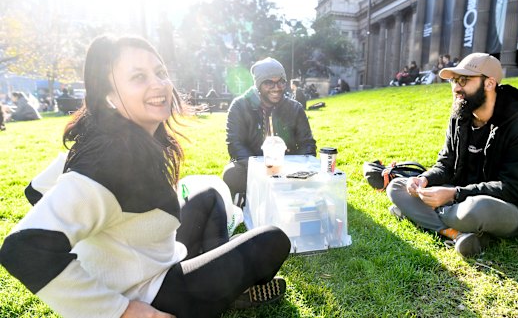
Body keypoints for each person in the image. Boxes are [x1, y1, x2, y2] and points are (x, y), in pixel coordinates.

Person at [0, 35, 291, 318]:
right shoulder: (108, 164)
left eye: (160, 72)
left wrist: (104, 244)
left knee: (208, 197)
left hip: (153, 259)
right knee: (272, 240)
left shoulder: (107, 136)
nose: (158, 84)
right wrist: (121, 310)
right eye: (138, 77)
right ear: (110, 95)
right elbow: (22, 249)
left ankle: (221, 278)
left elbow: (35, 191)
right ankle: (226, 290)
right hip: (153, 296)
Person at [387, 53, 518, 258]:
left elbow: (511, 188)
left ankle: (419, 215)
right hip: (461, 196)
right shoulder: (460, 114)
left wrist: (454, 194)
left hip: (509, 206)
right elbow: (446, 164)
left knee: (473, 210)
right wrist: (424, 179)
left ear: (489, 83)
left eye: (464, 80)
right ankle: (456, 234)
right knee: (398, 187)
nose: (456, 88)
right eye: (454, 81)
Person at [222, 57, 317, 205]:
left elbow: (307, 143)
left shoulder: (295, 108)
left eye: (281, 81)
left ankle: (258, 194)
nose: (277, 87)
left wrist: (297, 168)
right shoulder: (240, 106)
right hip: (253, 167)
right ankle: (265, 191)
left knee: (315, 172)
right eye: (269, 82)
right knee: (231, 174)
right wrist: (261, 169)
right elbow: (235, 144)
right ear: (258, 85)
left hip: (287, 168)